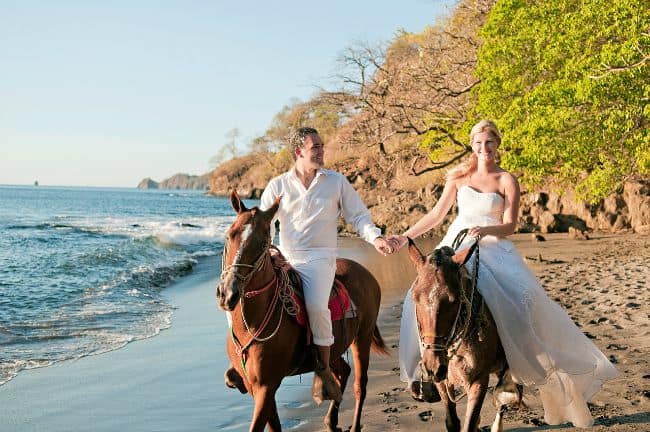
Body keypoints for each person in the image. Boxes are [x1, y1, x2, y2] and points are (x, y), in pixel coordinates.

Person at [386, 120, 618, 428]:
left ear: (498, 145)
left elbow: (511, 225)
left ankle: (508, 369)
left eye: (489, 143)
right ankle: (422, 372)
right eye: (479, 143)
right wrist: (404, 237)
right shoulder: (458, 177)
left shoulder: (507, 179)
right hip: (456, 243)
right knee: (421, 297)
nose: (484, 149)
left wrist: (487, 229)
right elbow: (436, 215)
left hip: (492, 244)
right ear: (472, 145)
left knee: (521, 302)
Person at [259, 127, 393, 404]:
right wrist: (270, 253)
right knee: (244, 295)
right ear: (299, 152)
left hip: (319, 259)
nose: (322, 151)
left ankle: (322, 368)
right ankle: (242, 362)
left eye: (321, 146)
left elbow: (358, 216)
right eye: (315, 147)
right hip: (284, 257)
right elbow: (264, 226)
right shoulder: (277, 186)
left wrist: (375, 238)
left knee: (317, 306)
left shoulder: (336, 182)